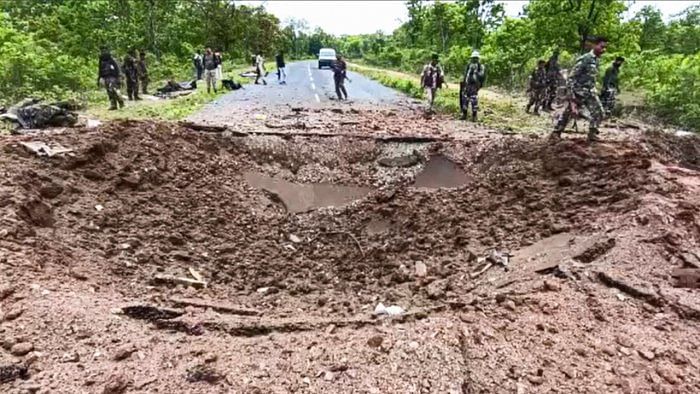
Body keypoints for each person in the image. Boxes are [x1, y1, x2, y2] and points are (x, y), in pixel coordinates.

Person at [551, 36, 608, 142]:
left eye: (605, 48)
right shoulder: (585, 59)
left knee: (599, 112)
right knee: (568, 113)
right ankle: (556, 133)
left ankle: (592, 134)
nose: (604, 50)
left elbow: (591, 77)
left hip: (590, 92)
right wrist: (572, 98)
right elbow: (571, 78)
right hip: (578, 92)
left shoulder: (596, 60)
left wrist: (595, 88)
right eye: (602, 47)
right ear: (595, 45)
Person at [460, 51, 486, 121]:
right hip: (467, 85)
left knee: (474, 100)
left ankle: (474, 116)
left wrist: (476, 72)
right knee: (465, 100)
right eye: (473, 58)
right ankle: (464, 114)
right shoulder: (469, 65)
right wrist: (463, 83)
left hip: (474, 85)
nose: (474, 60)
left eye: (476, 58)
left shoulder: (481, 66)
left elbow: (482, 75)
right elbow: (466, 75)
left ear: (478, 59)